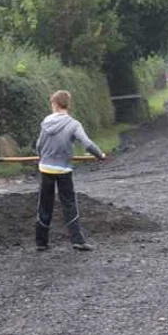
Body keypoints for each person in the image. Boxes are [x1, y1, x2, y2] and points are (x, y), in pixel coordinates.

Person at [35, 90, 105, 251]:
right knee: (69, 204)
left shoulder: (45, 122)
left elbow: (39, 145)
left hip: (45, 169)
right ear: (67, 104)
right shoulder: (73, 124)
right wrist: (99, 155)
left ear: (55, 104)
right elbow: (87, 144)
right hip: (63, 170)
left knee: (44, 205)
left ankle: (41, 242)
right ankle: (77, 240)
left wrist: (42, 158)